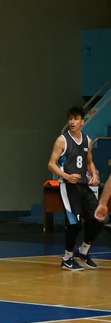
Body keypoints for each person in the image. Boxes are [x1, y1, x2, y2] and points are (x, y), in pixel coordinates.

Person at [47, 106, 104, 271]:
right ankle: (67, 258)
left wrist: (94, 175)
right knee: (74, 224)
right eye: (70, 118)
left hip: (83, 187)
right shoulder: (62, 140)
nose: (72, 122)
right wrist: (67, 177)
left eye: (75, 118)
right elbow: (51, 164)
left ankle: (84, 251)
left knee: (98, 218)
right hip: (68, 187)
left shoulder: (87, 140)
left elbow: (89, 162)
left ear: (82, 121)